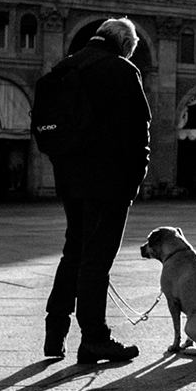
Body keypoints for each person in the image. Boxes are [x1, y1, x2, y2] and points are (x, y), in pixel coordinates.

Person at [43, 18, 152, 364]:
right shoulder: (122, 70)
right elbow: (138, 130)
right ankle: (94, 338)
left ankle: (55, 331)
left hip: (69, 179)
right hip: (108, 182)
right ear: (125, 45)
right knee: (96, 259)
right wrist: (135, 178)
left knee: (74, 252)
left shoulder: (65, 67)